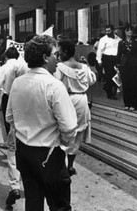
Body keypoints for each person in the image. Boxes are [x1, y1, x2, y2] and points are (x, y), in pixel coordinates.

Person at [6, 35, 77, 211]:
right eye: (55, 54)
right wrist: (65, 143)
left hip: (24, 152)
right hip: (49, 155)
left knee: (33, 202)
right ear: (45, 58)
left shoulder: (17, 83)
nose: (58, 58)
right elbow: (69, 127)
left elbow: (9, 117)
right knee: (59, 205)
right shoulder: (54, 86)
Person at [0, 46, 28, 208]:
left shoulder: (5, 67)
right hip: (27, 101)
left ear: (6, 56)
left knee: (12, 137)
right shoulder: (23, 66)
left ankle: (14, 185)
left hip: (10, 99)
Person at [55, 39, 96, 176]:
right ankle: (70, 165)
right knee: (78, 132)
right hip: (82, 100)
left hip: (67, 99)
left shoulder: (60, 67)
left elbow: (55, 84)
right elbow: (92, 80)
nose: (58, 55)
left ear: (65, 52)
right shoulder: (84, 67)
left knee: (63, 130)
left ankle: (60, 164)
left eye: (59, 52)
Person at [116, 25, 137, 111]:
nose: (129, 32)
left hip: (134, 65)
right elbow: (119, 54)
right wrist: (117, 65)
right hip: (124, 65)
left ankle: (133, 104)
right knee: (125, 84)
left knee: (134, 85)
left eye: (131, 30)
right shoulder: (121, 42)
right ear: (125, 32)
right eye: (127, 30)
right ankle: (126, 104)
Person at [96, 24, 120, 99]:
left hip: (115, 59)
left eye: (109, 31)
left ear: (112, 30)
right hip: (107, 58)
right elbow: (99, 50)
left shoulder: (118, 39)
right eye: (106, 31)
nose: (107, 32)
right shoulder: (103, 39)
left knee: (116, 76)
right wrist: (99, 60)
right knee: (109, 76)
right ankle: (109, 94)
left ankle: (114, 91)